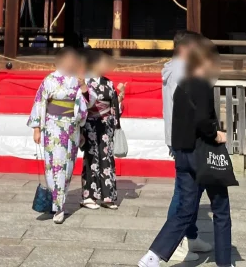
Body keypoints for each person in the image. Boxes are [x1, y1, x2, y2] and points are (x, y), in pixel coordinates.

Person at [140, 41, 232, 267]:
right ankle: (224, 262)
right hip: (204, 154)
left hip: (184, 154)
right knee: (221, 210)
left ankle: (153, 256)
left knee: (185, 209)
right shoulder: (201, 85)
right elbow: (203, 121)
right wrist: (216, 134)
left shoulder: (181, 87)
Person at [161, 31, 212, 259]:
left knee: (193, 188)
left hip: (180, 135)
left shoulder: (174, 68)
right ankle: (175, 244)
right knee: (183, 192)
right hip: (187, 137)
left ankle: (190, 236)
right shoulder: (182, 71)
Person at [28, 47, 88, 224]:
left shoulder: (77, 80)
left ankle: (58, 204)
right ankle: (57, 205)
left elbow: (84, 105)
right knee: (53, 166)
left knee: (66, 167)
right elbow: (40, 102)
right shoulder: (49, 80)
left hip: (71, 128)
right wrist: (37, 128)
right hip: (53, 126)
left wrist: (83, 86)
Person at [80, 50, 125, 210]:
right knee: (91, 157)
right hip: (89, 124)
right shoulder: (84, 81)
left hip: (106, 125)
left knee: (106, 158)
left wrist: (120, 99)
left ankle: (108, 196)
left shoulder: (108, 83)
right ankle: (89, 196)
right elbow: (80, 104)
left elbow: (114, 106)